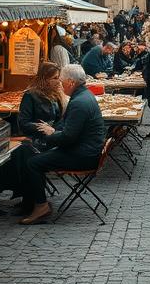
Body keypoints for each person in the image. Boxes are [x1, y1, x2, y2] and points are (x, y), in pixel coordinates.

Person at [18, 64, 106, 224]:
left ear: (71, 82)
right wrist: (52, 132)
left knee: (32, 163)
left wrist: (51, 134)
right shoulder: (84, 96)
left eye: (62, 80)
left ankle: (41, 205)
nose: (60, 83)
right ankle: (30, 201)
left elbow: (67, 137)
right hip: (87, 150)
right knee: (32, 155)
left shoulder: (79, 102)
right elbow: (65, 127)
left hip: (83, 155)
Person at [0, 62, 66, 216]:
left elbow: (59, 120)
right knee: (22, 154)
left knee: (23, 155)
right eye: (55, 78)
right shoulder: (31, 95)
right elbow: (23, 123)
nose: (58, 81)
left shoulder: (56, 95)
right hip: (35, 139)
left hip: (50, 140)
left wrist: (55, 130)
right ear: (45, 79)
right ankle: (19, 197)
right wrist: (42, 128)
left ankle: (24, 198)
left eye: (58, 78)